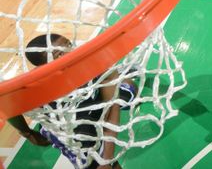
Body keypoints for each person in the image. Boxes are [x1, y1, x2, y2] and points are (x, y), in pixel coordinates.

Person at [6, 33, 137, 169]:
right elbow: (8, 107)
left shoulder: (92, 62)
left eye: (68, 44)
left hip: (98, 102)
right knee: (89, 159)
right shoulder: (32, 89)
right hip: (71, 120)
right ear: (43, 67)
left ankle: (121, 75)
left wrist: (107, 159)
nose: (70, 52)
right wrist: (27, 132)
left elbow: (111, 109)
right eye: (59, 54)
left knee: (131, 90)